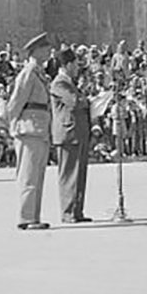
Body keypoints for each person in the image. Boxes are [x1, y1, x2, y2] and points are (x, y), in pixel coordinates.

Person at [6, 32, 53, 230]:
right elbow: (15, 103)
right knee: (29, 175)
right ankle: (26, 216)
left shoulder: (39, 73)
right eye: (47, 48)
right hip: (29, 129)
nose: (50, 51)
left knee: (37, 175)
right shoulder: (28, 73)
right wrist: (13, 125)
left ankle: (34, 216)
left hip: (39, 128)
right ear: (37, 50)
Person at [50, 47, 93, 224]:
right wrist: (86, 100)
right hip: (68, 132)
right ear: (67, 65)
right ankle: (68, 211)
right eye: (75, 64)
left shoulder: (70, 83)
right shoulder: (59, 83)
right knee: (69, 173)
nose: (77, 67)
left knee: (80, 173)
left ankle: (77, 210)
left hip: (78, 131)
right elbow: (74, 102)